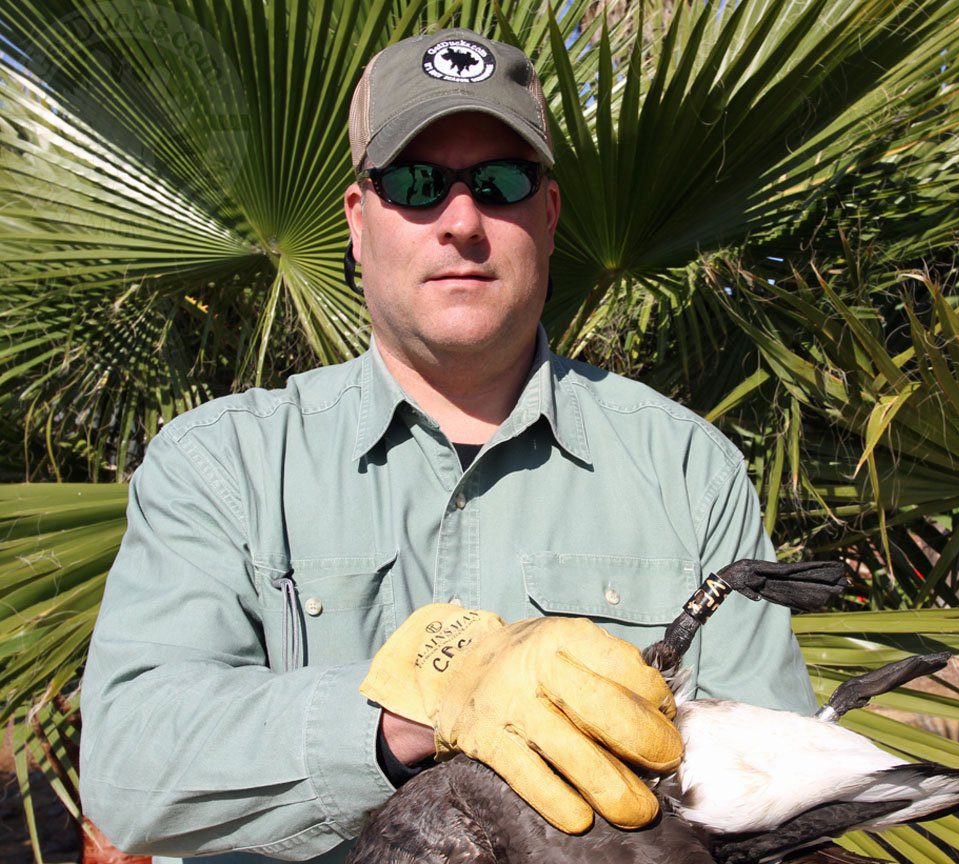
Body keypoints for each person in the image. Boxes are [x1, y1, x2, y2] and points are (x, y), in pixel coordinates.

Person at [79, 28, 816, 864]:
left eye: (502, 182)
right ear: (359, 222)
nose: (462, 221)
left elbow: (776, 792)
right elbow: (128, 771)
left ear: (548, 214)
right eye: (418, 183)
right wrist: (416, 715)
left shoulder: (689, 470)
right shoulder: (220, 465)